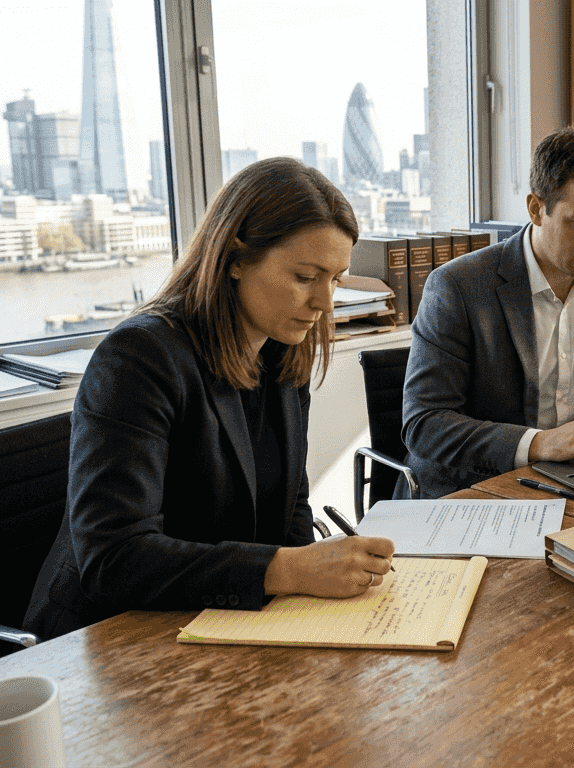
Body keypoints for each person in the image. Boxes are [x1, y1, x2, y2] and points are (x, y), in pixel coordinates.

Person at [24, 157, 396, 639]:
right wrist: (289, 570)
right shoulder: (138, 358)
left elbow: (291, 505)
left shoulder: (283, 350)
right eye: (306, 277)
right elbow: (113, 560)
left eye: (336, 278)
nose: (325, 302)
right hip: (110, 639)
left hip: (222, 622)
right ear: (236, 258)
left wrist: (313, 591)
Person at [401, 127, 574, 499]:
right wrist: (539, 444)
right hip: (478, 491)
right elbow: (425, 424)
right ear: (536, 209)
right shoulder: (457, 288)